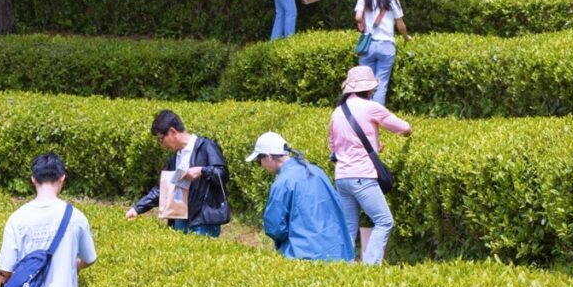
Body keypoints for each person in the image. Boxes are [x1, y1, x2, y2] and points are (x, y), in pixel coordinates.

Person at [0, 153, 96, 287]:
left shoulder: (18, 218)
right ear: (62, 178)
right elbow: (89, 258)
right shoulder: (76, 217)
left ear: (33, 179)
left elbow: (5, 270)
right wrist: (72, 267)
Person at [329, 66, 412, 264]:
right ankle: (371, 268)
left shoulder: (337, 112)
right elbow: (403, 127)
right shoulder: (370, 107)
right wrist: (409, 133)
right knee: (384, 221)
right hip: (362, 175)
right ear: (368, 89)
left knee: (349, 227)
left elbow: (334, 147)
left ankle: (343, 267)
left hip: (342, 176)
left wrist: (372, 147)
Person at [248, 131, 354, 261]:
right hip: (338, 249)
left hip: (304, 253)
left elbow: (275, 226)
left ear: (269, 157)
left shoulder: (283, 182)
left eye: (259, 160)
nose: (261, 165)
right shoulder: (316, 171)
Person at [126, 110, 231, 237]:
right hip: (179, 218)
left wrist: (202, 171)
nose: (161, 144)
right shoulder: (175, 158)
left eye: (161, 139)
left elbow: (223, 174)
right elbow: (163, 189)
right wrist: (137, 208)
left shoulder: (206, 146)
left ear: (172, 132)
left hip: (203, 220)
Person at [354, 0, 412, 105]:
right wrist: (406, 37)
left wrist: (362, 21)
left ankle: (362, 114)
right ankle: (377, 116)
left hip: (368, 45)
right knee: (381, 83)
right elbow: (401, 25)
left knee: (365, 83)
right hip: (386, 45)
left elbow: (357, 16)